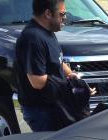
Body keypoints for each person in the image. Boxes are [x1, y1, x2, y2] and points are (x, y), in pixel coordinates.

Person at [15, 0, 94, 131]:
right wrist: (73, 89)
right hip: (41, 111)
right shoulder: (32, 38)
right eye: (62, 14)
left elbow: (58, 61)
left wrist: (73, 78)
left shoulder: (47, 33)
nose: (65, 17)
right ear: (48, 13)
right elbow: (37, 81)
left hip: (55, 105)